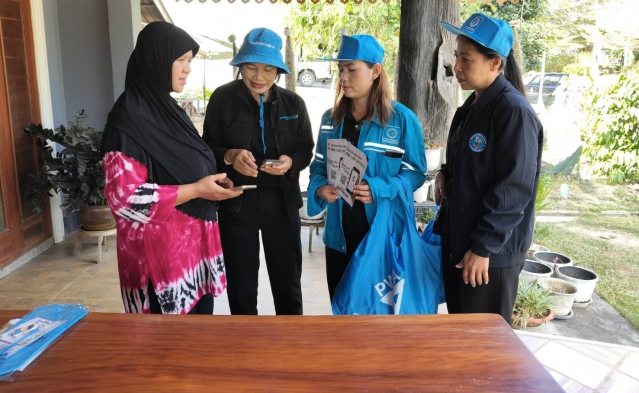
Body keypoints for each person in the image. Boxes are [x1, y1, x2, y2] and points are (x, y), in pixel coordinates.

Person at [102, 21, 242, 315]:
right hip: (159, 266)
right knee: (166, 340)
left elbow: (186, 163)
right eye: (180, 59)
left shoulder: (168, 111)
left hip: (192, 259)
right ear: (156, 59)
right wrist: (196, 189)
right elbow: (124, 199)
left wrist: (211, 182)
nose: (187, 68)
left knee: (198, 335)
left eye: (189, 60)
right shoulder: (127, 121)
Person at [435, 13, 543, 324]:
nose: (457, 67)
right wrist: (445, 174)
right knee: (462, 332)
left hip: (489, 256)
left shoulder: (513, 112)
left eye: (466, 59)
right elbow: (468, 164)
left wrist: (483, 248)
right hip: (464, 244)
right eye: (457, 56)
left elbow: (514, 189)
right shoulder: (472, 106)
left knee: (485, 340)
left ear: (495, 63)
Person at [306, 34, 427, 302]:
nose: (343, 78)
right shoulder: (330, 119)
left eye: (352, 70)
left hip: (381, 237)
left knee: (377, 316)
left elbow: (416, 173)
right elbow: (319, 166)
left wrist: (379, 188)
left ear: (375, 71)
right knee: (341, 310)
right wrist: (320, 187)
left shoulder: (402, 119)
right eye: (340, 70)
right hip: (339, 238)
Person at [203, 28, 314, 315]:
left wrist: (290, 162)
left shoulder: (294, 103)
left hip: (282, 202)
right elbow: (207, 147)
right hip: (237, 202)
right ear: (241, 65)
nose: (259, 76)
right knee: (241, 286)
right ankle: (244, 339)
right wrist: (230, 156)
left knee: (288, 284)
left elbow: (305, 150)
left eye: (268, 69)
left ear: (278, 70)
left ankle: (289, 338)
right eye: (251, 67)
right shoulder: (222, 99)